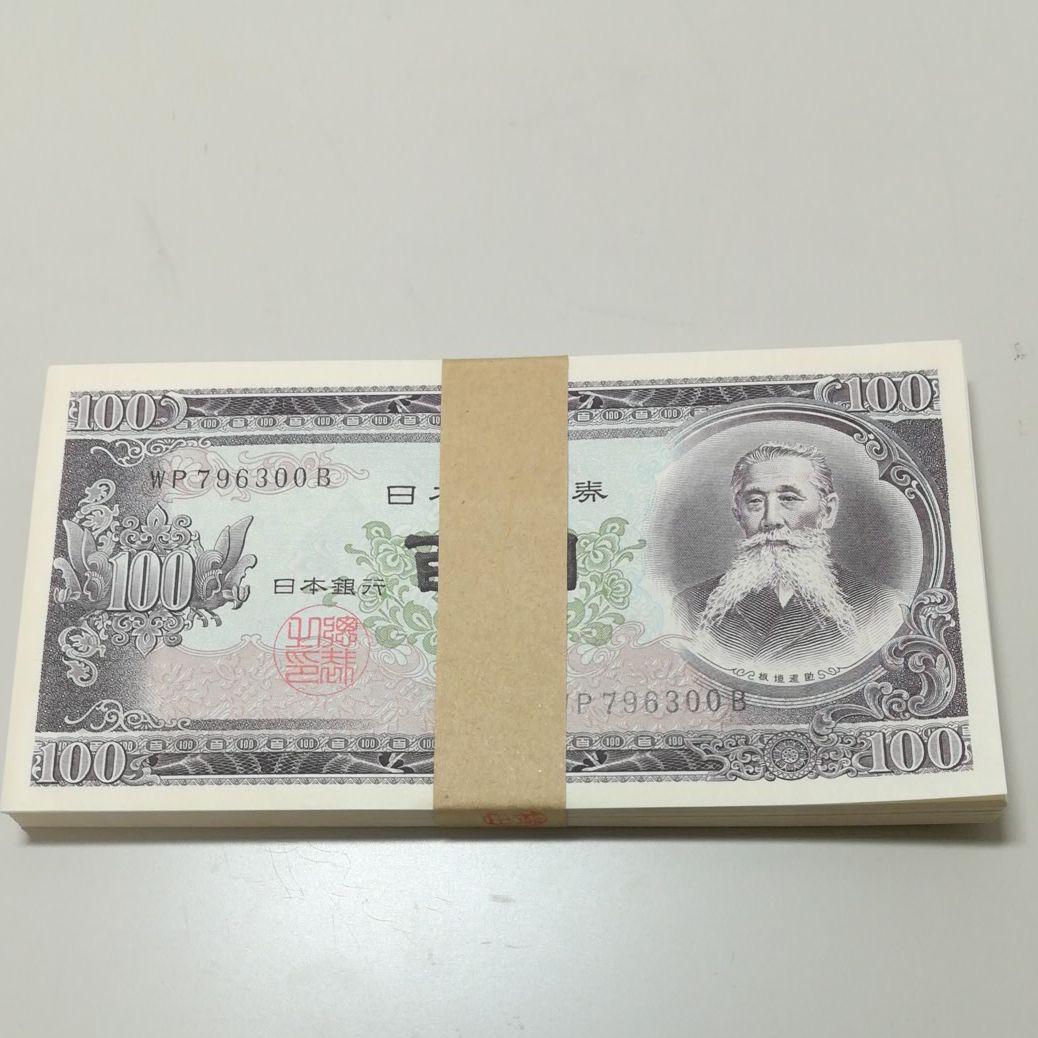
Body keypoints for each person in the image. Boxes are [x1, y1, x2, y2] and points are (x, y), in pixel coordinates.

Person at [673, 442, 909, 670]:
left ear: (827, 511)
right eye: (755, 501)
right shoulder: (690, 607)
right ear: (739, 516)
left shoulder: (880, 607)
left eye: (788, 498)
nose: (771, 519)